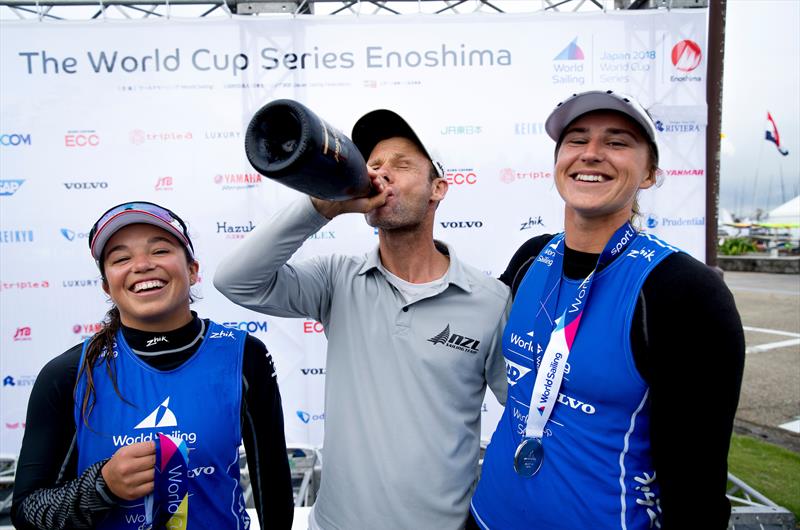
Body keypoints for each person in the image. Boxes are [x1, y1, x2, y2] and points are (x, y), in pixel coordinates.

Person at [214, 109, 509, 530]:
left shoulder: (489, 300)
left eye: (402, 165)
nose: (381, 175)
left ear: (438, 189)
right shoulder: (338, 278)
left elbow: (523, 414)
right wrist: (321, 207)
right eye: (374, 166)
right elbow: (236, 281)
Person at [469, 90, 745, 529]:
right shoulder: (529, 257)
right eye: (576, 140)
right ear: (558, 161)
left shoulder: (684, 291)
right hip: (487, 515)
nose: (592, 154)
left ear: (650, 173)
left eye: (617, 142)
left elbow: (698, 486)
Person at [12, 201, 294, 530]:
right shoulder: (69, 373)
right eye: (120, 258)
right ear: (107, 285)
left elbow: (271, 484)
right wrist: (102, 486)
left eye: (159, 251)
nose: (142, 265)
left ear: (192, 269)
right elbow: (27, 510)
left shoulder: (243, 354)